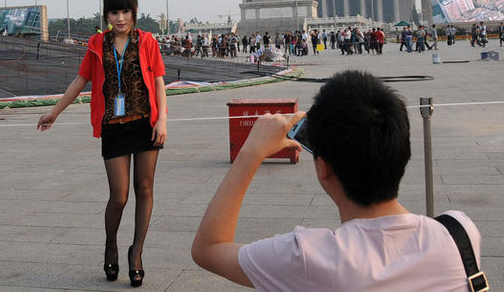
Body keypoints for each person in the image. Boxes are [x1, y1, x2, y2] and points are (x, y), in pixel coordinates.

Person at [191, 70, 482, 290]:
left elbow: (208, 249)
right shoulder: (460, 234)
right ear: (401, 149)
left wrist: (251, 152)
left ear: (324, 168)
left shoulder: (309, 257)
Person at [37, 0, 167, 287]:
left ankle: (136, 253)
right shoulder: (97, 46)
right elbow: (80, 81)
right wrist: (54, 112)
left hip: (145, 124)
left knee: (144, 189)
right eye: (114, 12)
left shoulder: (147, 42)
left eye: (125, 11)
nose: (120, 18)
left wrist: (163, 122)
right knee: (119, 195)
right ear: (106, 15)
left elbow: (159, 82)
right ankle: (111, 244)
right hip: (112, 127)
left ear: (134, 12)